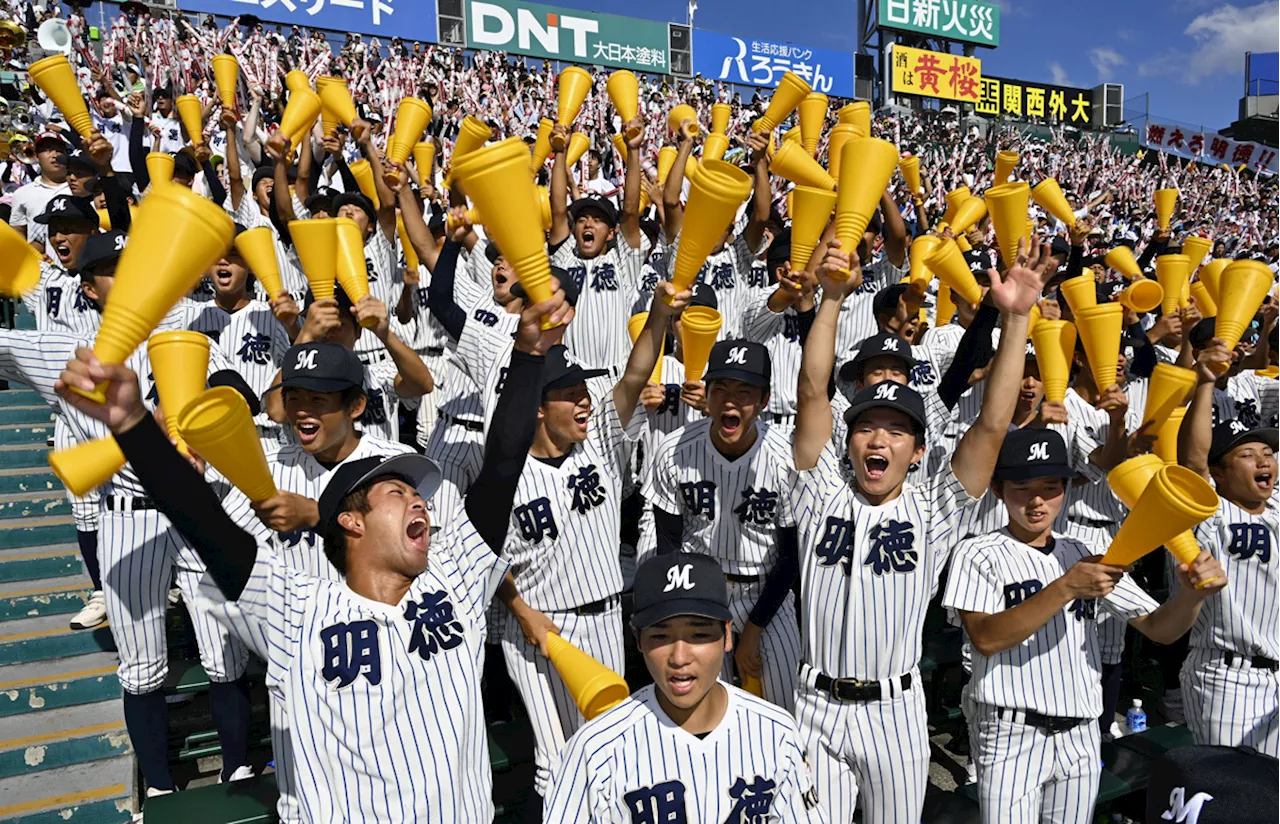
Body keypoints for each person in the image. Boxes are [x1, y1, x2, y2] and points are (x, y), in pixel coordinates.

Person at [52, 289, 570, 822]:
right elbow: (204, 525)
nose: (419, 500)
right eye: (397, 493)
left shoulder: (454, 585)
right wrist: (133, 423)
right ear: (350, 521)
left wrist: (529, 355)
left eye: (418, 493)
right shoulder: (298, 607)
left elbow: (504, 463)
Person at [787, 237, 1055, 824]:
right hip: (812, 704)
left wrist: (1016, 320)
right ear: (848, 439)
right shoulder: (818, 490)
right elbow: (813, 390)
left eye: (896, 430)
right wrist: (831, 298)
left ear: (919, 449)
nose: (878, 439)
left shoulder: (935, 506)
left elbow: (991, 423)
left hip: (895, 711)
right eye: (866, 427)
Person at [944, 427, 1225, 824]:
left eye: (1050, 485)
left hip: (1080, 733)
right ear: (998, 489)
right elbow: (986, 638)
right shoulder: (977, 553)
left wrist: (1191, 595)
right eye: (1022, 486)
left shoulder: (1082, 553)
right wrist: (1065, 587)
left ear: (1066, 488)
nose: (1037, 499)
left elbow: (1161, 630)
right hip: (1011, 731)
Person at [498, 281, 684, 807]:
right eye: (570, 395)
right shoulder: (506, 474)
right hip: (541, 632)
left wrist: (661, 316)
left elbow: (632, 377)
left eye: (585, 392)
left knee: (610, 752)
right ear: (537, 407)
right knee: (556, 764)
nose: (585, 401)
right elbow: (487, 559)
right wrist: (522, 612)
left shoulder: (598, 441)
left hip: (605, 619)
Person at [543, 552, 825, 822]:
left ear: (727, 635)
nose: (679, 657)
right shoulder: (594, 750)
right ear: (638, 639)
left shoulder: (777, 733)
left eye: (699, 635)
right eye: (661, 636)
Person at [646, 339, 801, 711]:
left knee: (782, 708)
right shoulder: (674, 449)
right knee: (698, 711)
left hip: (767, 597)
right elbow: (669, 543)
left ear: (764, 400)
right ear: (706, 394)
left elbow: (790, 559)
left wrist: (752, 632)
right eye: (720, 389)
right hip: (698, 592)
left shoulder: (785, 458)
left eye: (744, 392)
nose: (730, 401)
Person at [1177, 335, 1280, 757]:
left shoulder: (1275, 505)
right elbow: (1193, 461)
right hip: (1228, 678)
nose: (1264, 461)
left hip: (1275, 678)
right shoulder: (1212, 512)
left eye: (1268, 452)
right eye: (1247, 455)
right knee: (1234, 796)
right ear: (1219, 473)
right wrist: (1204, 383)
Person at [8, 130, 69, 252]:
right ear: (36, 156)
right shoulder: (22, 194)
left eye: (59, 150)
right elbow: (18, 233)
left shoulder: (81, 188)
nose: (54, 154)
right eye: (47, 150)